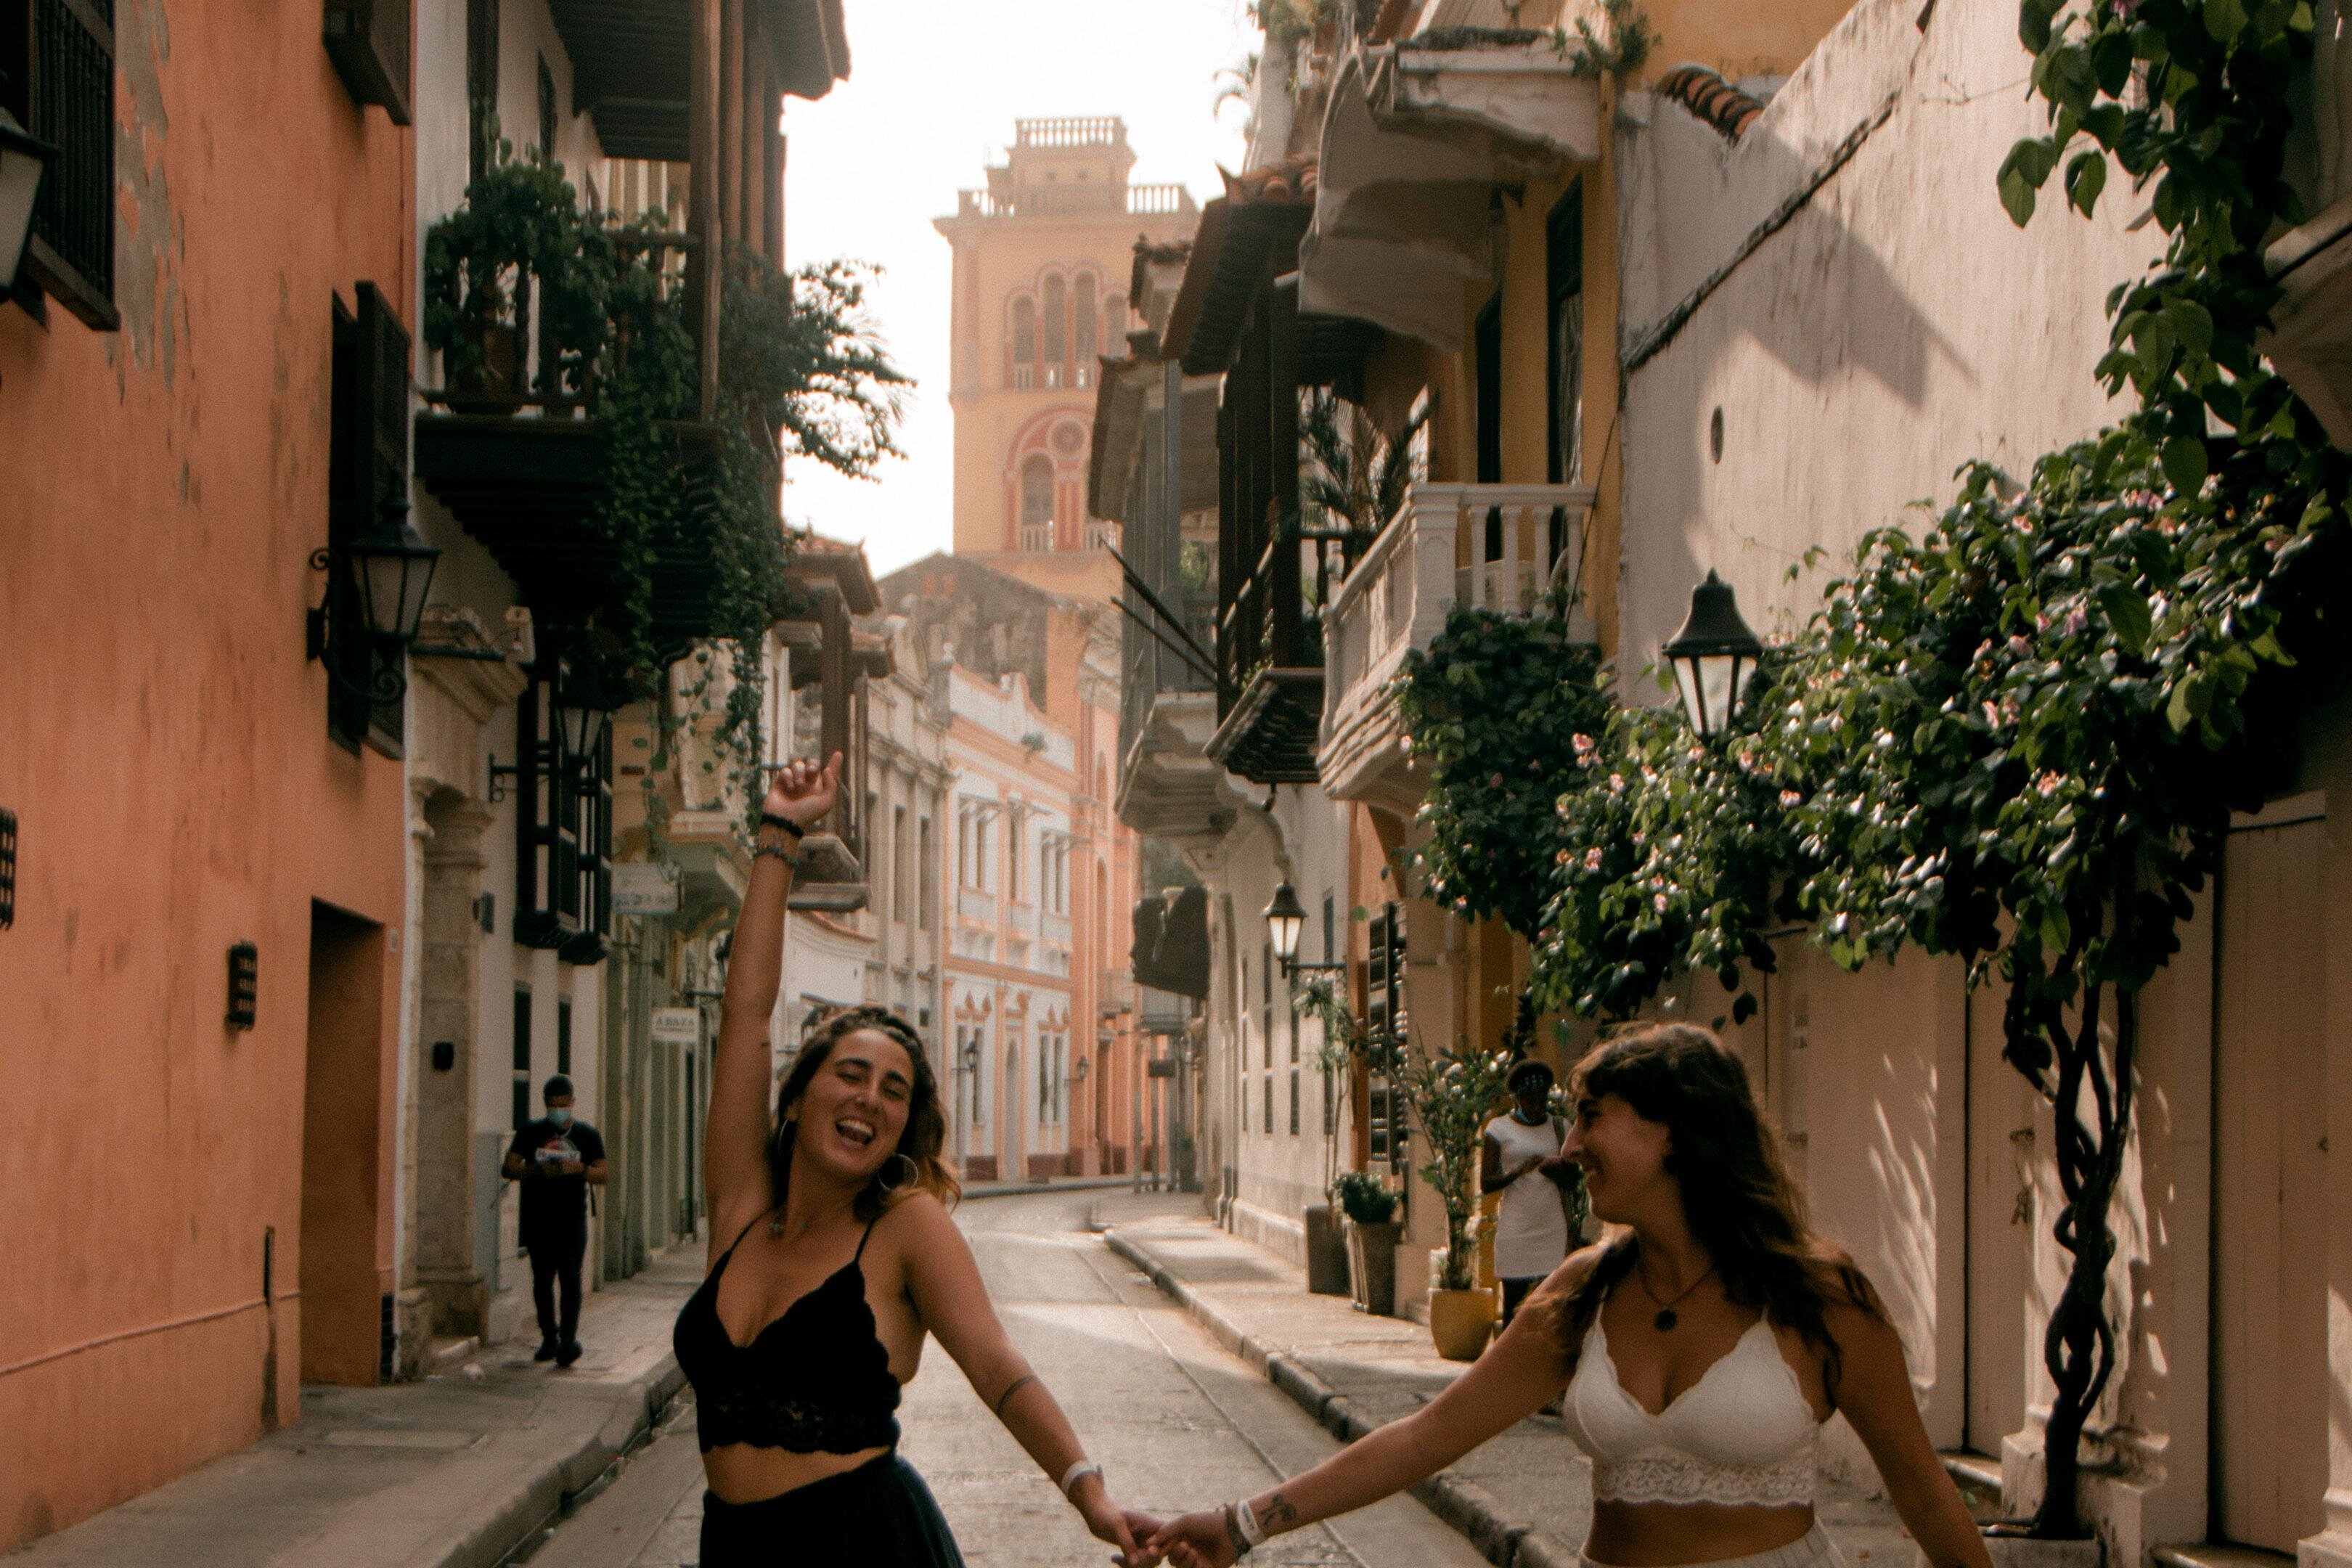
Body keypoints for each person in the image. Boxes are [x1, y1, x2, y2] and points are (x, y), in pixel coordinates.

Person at [1147, 1024, 1996, 1568]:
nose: (1571, 1144)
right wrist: (1242, 1525)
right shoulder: (1583, 1294)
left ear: (1676, 1132)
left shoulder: (1818, 1299)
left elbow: (1924, 1490)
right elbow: (1425, 1438)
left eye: (1593, 1116)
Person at [674, 754, 1159, 1567]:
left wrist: (1088, 1491)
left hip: (863, 1546)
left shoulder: (906, 1226)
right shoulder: (741, 1208)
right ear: (798, 1096)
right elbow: (746, 1011)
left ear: (904, 1129)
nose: (869, 1098)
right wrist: (779, 831)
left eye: (894, 1091)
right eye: (850, 1075)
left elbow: (997, 1367)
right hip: (735, 1550)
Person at [503, 1074, 608, 1368]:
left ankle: (568, 1340)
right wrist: (537, 1170)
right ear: (545, 1103)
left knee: (571, 1279)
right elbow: (509, 1167)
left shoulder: (587, 1135)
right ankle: (549, 1336)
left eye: (563, 1105)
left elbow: (603, 1173)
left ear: (572, 1102)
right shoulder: (531, 1131)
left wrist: (580, 1169)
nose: (557, 1111)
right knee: (542, 1280)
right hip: (539, 1217)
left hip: (572, 1218)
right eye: (552, 1105)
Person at [1481, 1059, 1577, 1329]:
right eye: (1530, 1099)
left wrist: (1555, 1170)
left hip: (1551, 1227)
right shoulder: (1499, 1129)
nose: (1536, 1105)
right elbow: (1486, 1183)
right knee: (1514, 1304)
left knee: (1551, 1302)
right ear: (1518, 1098)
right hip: (1516, 1229)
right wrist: (1518, 1171)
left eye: (1541, 1099)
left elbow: (1574, 1179)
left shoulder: (1560, 1126)